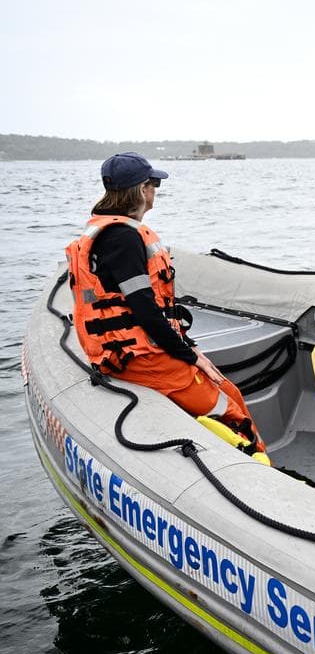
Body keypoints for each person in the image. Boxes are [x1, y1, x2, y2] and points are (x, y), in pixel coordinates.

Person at [66, 153, 263, 453]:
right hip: (139, 359)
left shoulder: (107, 232)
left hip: (124, 351)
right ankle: (260, 468)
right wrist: (190, 356)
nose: (155, 191)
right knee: (229, 407)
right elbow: (145, 310)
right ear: (142, 189)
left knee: (226, 388)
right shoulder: (124, 239)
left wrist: (189, 345)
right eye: (154, 183)